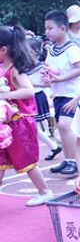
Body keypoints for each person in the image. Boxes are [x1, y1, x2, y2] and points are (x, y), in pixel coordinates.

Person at [0, 26, 53, 206]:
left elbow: (29, 91)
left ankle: (45, 191)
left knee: (26, 159)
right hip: (5, 124)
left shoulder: (15, 70)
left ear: (4, 50)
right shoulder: (3, 67)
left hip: (19, 123)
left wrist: (5, 96)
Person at [44, 10, 80, 175]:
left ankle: (77, 161)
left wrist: (60, 78)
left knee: (65, 125)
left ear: (63, 29)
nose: (47, 32)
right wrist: (49, 75)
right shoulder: (53, 49)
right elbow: (53, 69)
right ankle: (69, 160)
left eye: (50, 28)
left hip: (72, 93)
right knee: (62, 129)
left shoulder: (71, 48)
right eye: (46, 28)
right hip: (58, 93)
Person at [26, 37, 62, 161]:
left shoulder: (42, 67)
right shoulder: (25, 66)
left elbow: (48, 83)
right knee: (32, 126)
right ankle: (53, 146)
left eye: (28, 51)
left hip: (36, 96)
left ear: (35, 52)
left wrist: (31, 84)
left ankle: (53, 146)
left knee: (32, 126)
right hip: (29, 97)